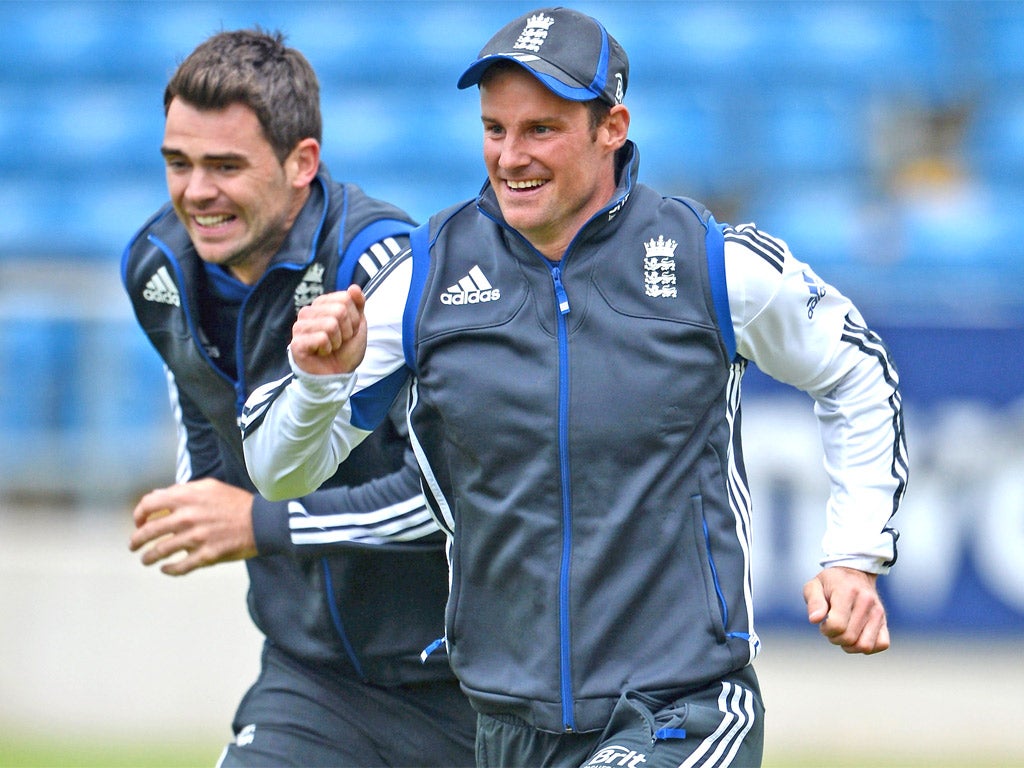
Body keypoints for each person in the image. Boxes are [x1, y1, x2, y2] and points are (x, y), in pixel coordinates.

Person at [241, 8, 909, 768]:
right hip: (502, 723)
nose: (510, 156)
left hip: (682, 708)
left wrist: (854, 554)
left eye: (541, 130)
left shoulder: (708, 261)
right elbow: (282, 473)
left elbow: (856, 371)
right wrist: (319, 383)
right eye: (495, 129)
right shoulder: (424, 274)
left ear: (611, 127)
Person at [121, 28, 475, 768]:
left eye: (225, 166)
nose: (196, 192)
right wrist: (203, 499)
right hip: (313, 684)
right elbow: (216, 445)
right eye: (177, 164)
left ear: (301, 163)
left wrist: (262, 522)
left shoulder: (379, 266)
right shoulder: (157, 269)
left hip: (471, 686)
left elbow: (447, 502)